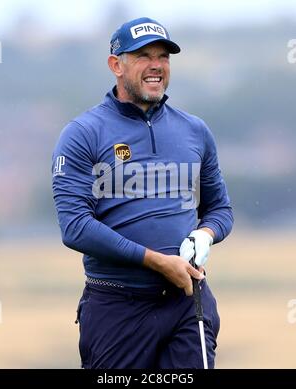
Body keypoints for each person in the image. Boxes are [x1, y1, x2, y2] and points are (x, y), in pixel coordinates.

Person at [52, 16, 233, 369]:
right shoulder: (83, 133)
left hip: (186, 300)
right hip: (116, 305)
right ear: (116, 65)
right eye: (143, 56)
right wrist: (156, 261)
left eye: (163, 57)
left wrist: (205, 234)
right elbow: (74, 226)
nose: (156, 66)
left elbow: (220, 209)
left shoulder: (195, 131)